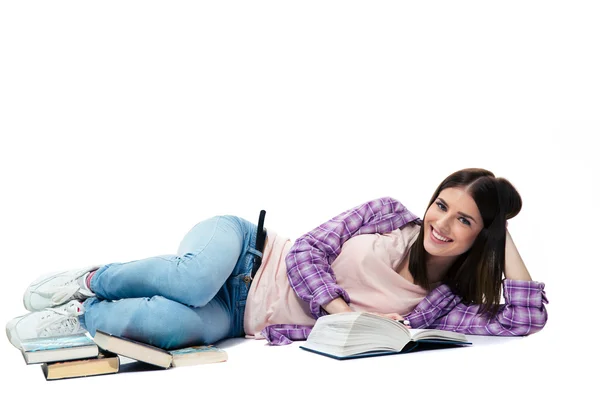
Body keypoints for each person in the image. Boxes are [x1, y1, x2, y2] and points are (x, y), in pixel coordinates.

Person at [6, 168, 548, 350]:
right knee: (192, 280)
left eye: (466, 221)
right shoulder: (388, 215)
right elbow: (308, 249)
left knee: (164, 322)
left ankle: (80, 315)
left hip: (242, 317)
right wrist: (339, 310)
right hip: (247, 250)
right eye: (442, 206)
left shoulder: (439, 307)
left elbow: (526, 320)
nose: (443, 224)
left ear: (483, 237)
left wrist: (505, 230)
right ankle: (93, 277)